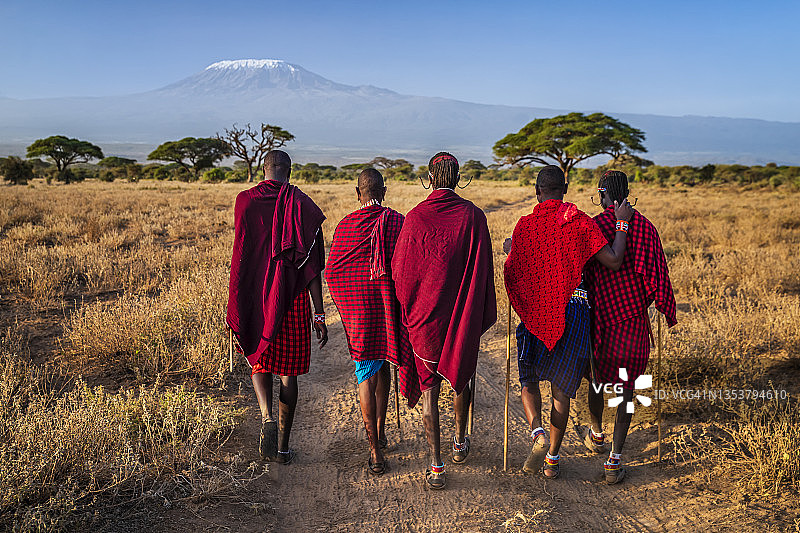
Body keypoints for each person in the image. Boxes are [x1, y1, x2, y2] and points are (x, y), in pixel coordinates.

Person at [503, 165, 633, 479]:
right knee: (562, 389)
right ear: (565, 190)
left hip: (537, 310)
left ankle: (537, 433)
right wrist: (622, 224)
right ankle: (552, 459)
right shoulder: (579, 222)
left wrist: (512, 250)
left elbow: (516, 272)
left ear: (537, 192)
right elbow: (614, 260)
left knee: (529, 380)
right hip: (575, 309)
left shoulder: (525, 225)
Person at [392, 152, 497, 490]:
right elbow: (482, 273)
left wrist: (410, 309)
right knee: (461, 380)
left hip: (425, 322)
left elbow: (401, 273)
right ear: (458, 176)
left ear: (430, 177)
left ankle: (436, 464)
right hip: (460, 317)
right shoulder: (474, 217)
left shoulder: (415, 218)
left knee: (429, 393)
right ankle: (459, 442)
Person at [227, 149, 328, 466]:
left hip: (256, 295)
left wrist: (238, 298)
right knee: (288, 373)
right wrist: (319, 312)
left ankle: (267, 415)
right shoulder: (304, 205)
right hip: (292, 299)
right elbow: (312, 267)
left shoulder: (244, 201)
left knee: (259, 358)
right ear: (290, 171)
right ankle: (283, 449)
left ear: (264, 169)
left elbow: (242, 253)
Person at [583, 170, 677, 484]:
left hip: (600, 321)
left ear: (601, 193)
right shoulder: (647, 228)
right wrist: (661, 305)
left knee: (597, 382)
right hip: (634, 320)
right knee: (626, 389)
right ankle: (614, 459)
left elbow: (580, 273)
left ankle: (597, 434)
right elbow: (659, 276)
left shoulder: (594, 226)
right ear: (627, 193)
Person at [326, 168, 421, 476]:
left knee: (367, 370)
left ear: (358, 193)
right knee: (386, 364)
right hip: (387, 309)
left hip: (360, 313)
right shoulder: (398, 221)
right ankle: (379, 433)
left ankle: (375, 450)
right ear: (385, 191)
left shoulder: (345, 226)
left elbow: (333, 272)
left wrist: (350, 304)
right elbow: (408, 267)